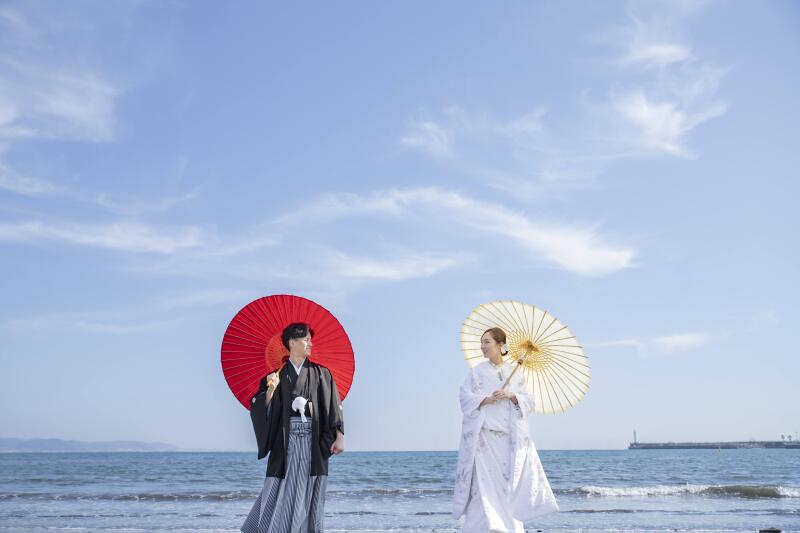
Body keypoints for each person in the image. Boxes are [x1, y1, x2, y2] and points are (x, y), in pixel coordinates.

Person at [242, 322, 345, 533]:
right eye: (306, 339)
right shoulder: (275, 377)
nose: (310, 344)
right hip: (285, 442)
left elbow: (333, 406)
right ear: (292, 342)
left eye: (310, 340)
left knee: (310, 493)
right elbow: (259, 409)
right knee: (278, 489)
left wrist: (339, 436)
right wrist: (270, 392)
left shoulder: (321, 373)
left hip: (313, 442)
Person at [453, 327, 558, 532]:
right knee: (482, 489)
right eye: (481, 342)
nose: (482, 347)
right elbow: (464, 398)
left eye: (487, 342)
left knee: (506, 487)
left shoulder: (514, 374)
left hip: (507, 442)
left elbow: (529, 402)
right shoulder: (476, 373)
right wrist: (485, 399)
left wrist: (511, 395)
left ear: (501, 345)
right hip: (484, 441)